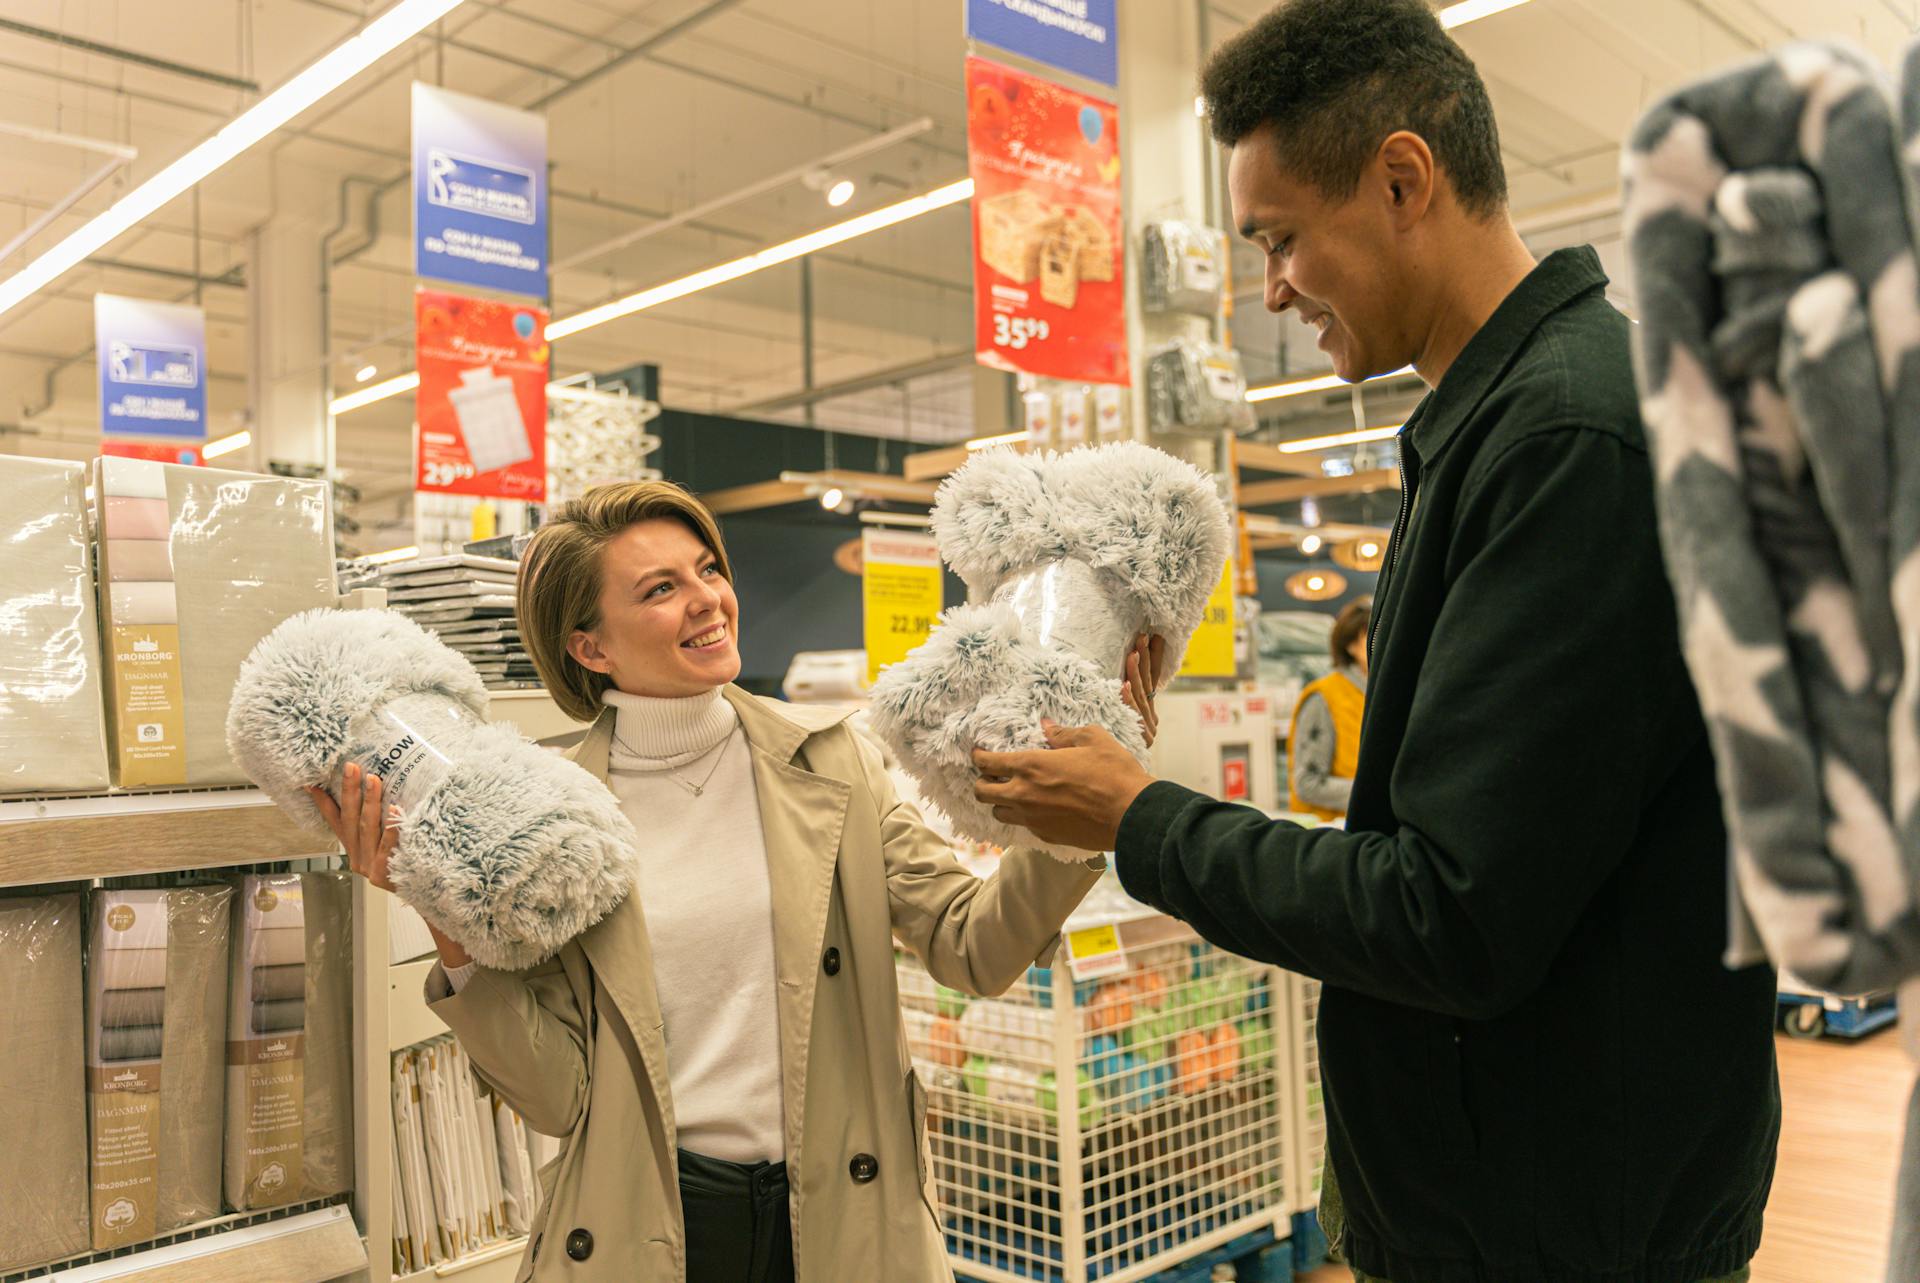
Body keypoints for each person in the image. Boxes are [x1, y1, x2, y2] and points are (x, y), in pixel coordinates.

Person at [968, 3, 1780, 1282]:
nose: (1272, 290)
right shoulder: (1501, 427)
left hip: (1559, 1228)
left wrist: (1143, 816)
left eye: (1282, 240)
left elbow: (1451, 915)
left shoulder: (1567, 443)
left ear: (1403, 179)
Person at [309, 480, 1163, 1283]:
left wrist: (1093, 808)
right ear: (589, 645)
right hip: (659, 1224)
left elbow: (973, 946)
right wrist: (437, 905)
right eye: (659, 589)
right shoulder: (550, 814)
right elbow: (557, 1094)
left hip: (841, 1211)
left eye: (708, 569)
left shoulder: (834, 759)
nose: (707, 598)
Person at [1287, 597, 1370, 821]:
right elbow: (1308, 783)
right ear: (1350, 644)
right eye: (1370, 637)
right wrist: (1377, 793)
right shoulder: (1323, 697)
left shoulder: (1386, 695)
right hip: (1333, 835)